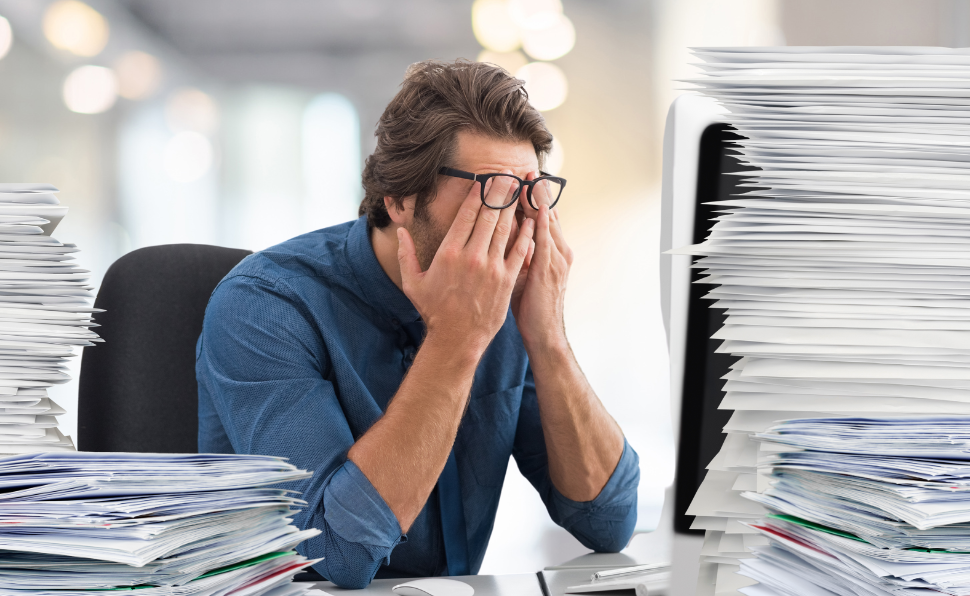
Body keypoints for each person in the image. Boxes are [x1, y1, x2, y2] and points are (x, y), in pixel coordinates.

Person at [196, 59, 639, 589]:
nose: (517, 219)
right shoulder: (264, 306)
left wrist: (548, 339)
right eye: (491, 189)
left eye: (531, 192)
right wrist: (457, 338)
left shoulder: (506, 305)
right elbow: (332, 555)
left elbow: (608, 521)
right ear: (400, 198)